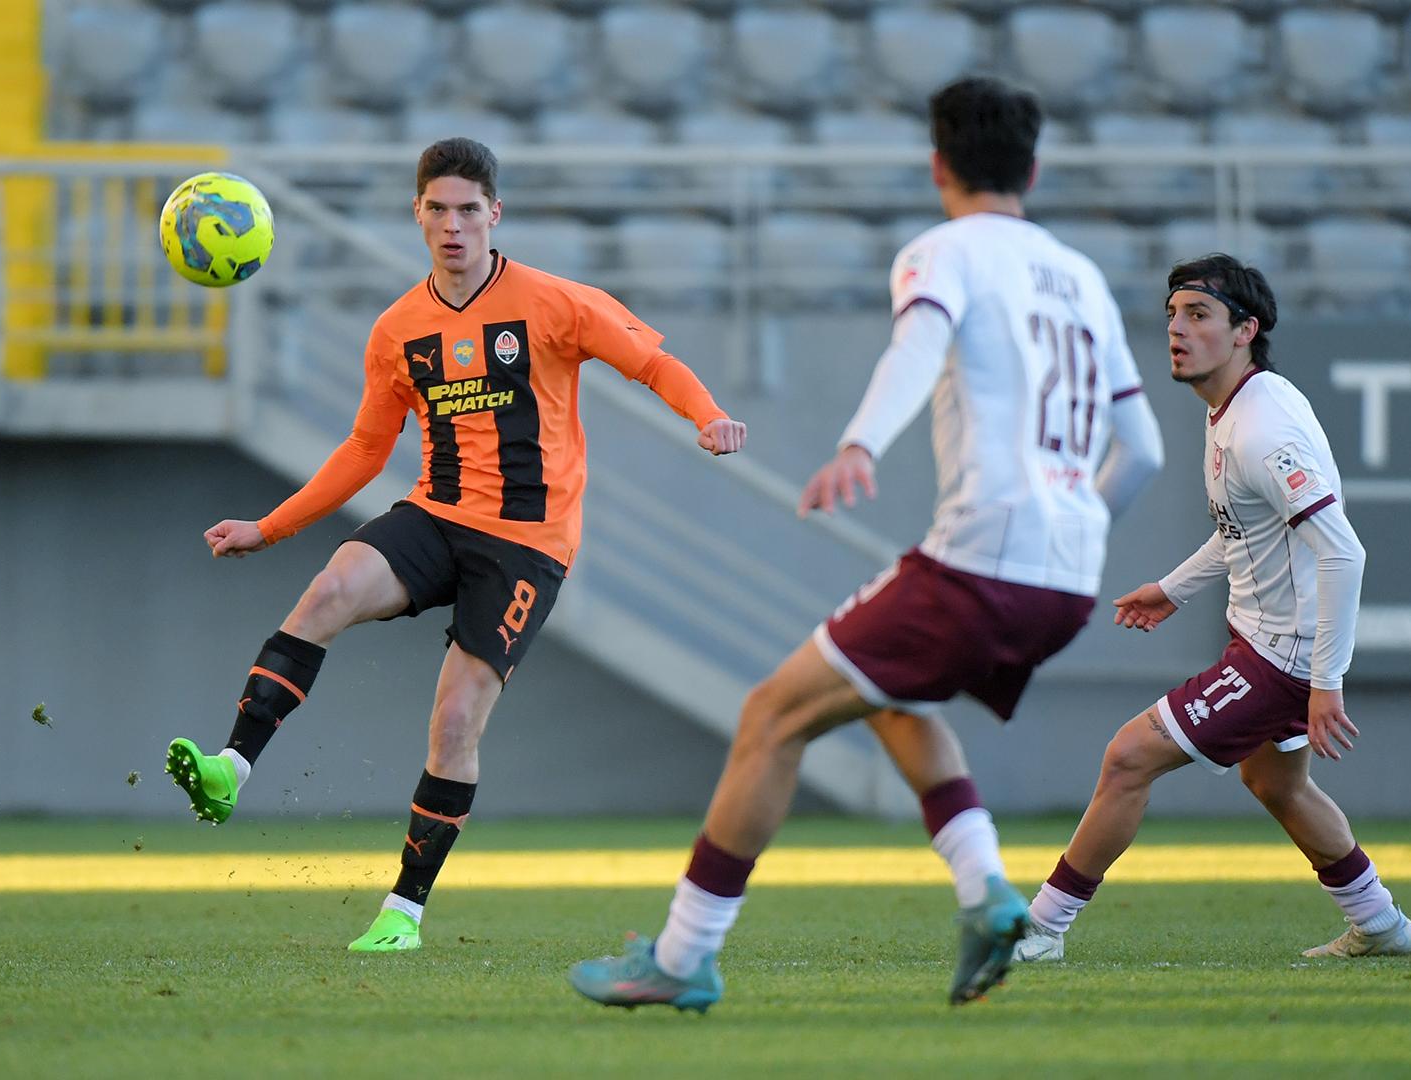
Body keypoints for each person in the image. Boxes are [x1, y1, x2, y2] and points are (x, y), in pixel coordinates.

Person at [568, 75, 1164, 1012]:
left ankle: (683, 956)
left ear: (937, 166)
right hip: (1066, 580)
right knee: (886, 694)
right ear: (1034, 169)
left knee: (773, 716)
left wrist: (858, 443)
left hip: (981, 562)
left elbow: (917, 348)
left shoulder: (944, 252)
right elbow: (1144, 450)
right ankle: (987, 897)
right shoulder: (1082, 276)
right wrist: (1073, 534)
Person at [164, 137, 747, 952]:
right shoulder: (399, 328)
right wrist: (270, 527)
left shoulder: (554, 303)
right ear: (418, 215)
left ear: (494, 216)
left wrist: (707, 415)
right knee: (331, 588)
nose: (452, 226)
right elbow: (366, 451)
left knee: (455, 721)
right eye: (437, 210)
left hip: (528, 544)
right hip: (437, 515)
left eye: (468, 210)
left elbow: (653, 362)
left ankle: (403, 912)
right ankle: (233, 769)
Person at [1014, 253, 1411, 965]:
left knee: (1128, 758)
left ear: (1245, 331)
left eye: (1198, 314)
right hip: (1267, 642)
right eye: (1172, 314)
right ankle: (1382, 925)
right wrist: (1173, 589)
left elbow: (1344, 553)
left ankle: (1041, 930)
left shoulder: (1262, 430)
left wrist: (1326, 680)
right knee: (1275, 781)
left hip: (1282, 655)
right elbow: (1245, 526)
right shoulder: (1238, 406)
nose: (1177, 329)